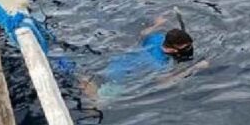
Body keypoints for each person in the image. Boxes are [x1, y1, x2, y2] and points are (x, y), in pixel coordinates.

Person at [80, 13, 208, 101]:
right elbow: (164, 83)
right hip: (121, 80)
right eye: (185, 48)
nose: (189, 49)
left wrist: (157, 24)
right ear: (171, 49)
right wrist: (195, 68)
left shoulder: (156, 38)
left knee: (89, 80)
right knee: (99, 102)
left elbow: (143, 33)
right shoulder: (161, 64)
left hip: (115, 63)